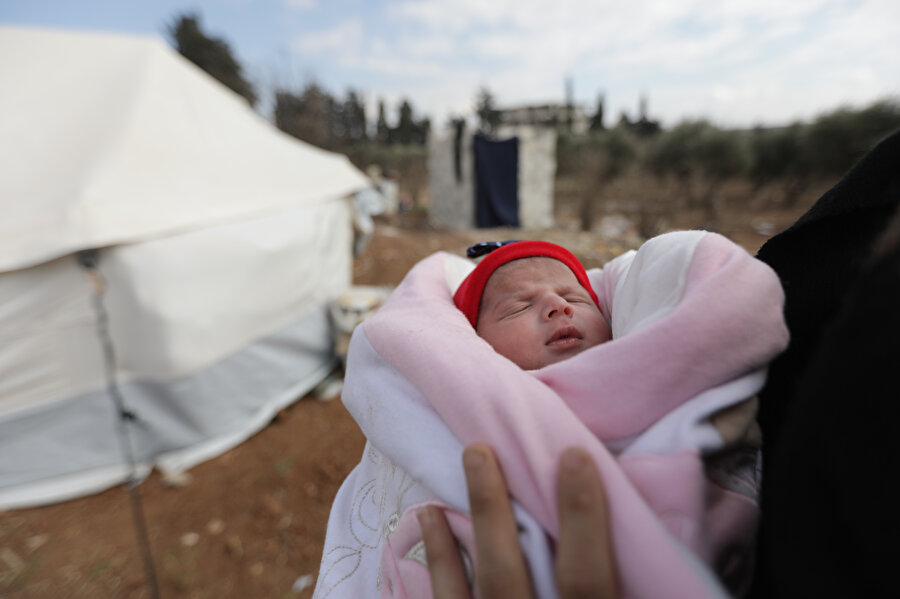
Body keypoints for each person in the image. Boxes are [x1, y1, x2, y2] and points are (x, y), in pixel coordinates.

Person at [313, 231, 788, 599]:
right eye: (519, 305)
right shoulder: (463, 400)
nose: (558, 306)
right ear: (474, 343)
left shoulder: (664, 378)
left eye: (576, 297)